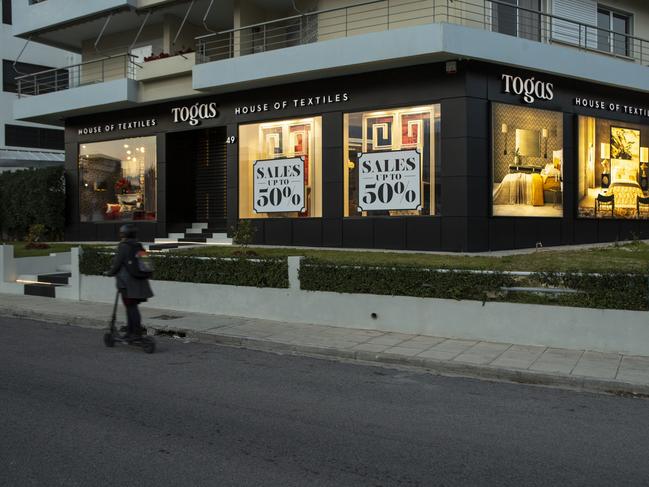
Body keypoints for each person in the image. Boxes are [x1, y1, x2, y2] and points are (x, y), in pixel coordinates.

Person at [105, 224, 153, 341]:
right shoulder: (138, 246)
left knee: (131, 308)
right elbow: (146, 263)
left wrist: (108, 273)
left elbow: (116, 265)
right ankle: (132, 332)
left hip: (127, 284)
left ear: (123, 234)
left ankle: (135, 333)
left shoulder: (123, 246)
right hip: (140, 282)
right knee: (132, 307)